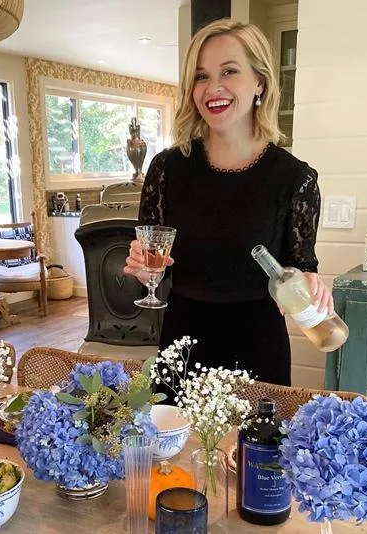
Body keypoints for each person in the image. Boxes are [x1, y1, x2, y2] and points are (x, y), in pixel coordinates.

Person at [123, 19, 333, 387]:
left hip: (257, 346)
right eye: (201, 76)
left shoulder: (295, 179)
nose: (212, 88)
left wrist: (310, 285)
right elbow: (153, 270)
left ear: (260, 82)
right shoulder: (166, 168)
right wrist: (144, 270)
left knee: (253, 446)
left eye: (230, 71)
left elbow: (298, 269)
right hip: (182, 343)